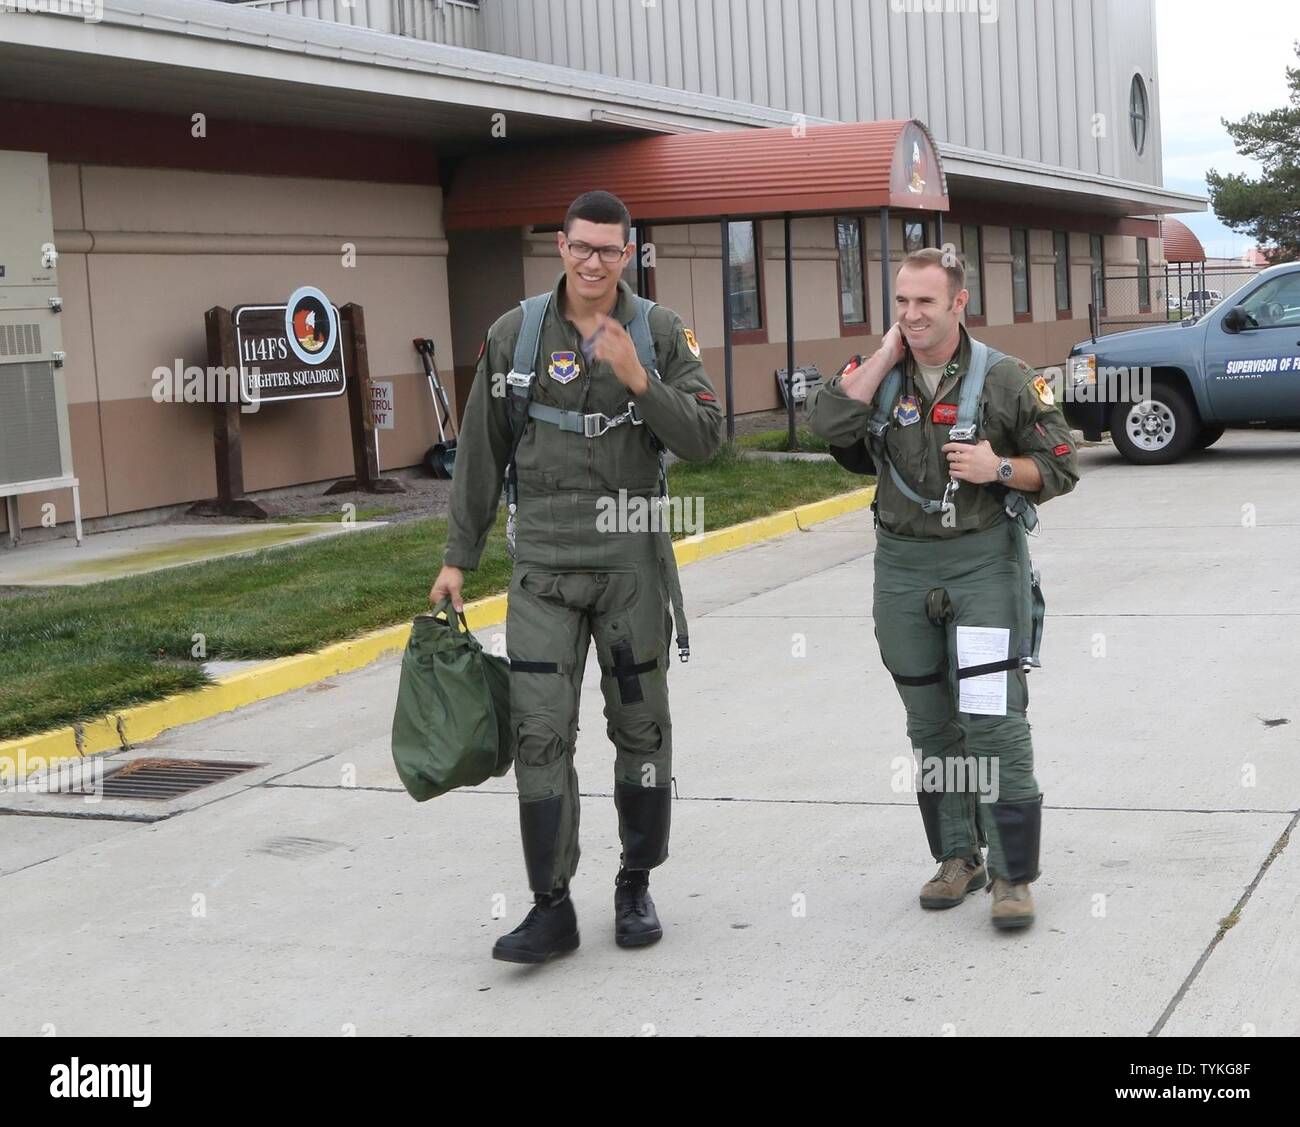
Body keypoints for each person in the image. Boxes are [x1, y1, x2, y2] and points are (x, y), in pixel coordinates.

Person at [429, 190, 723, 962]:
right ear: (558, 246)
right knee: (538, 732)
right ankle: (550, 904)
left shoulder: (659, 333)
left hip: (630, 561)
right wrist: (459, 558)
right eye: (581, 247)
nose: (594, 262)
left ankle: (634, 883)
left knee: (642, 728)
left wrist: (639, 379)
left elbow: (704, 440)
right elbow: (481, 455)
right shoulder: (515, 335)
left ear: (629, 255)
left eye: (610, 250)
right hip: (545, 568)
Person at [806, 247, 1079, 930]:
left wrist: (1000, 467)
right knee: (930, 725)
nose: (911, 313)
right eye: (901, 301)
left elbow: (1064, 462)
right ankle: (959, 855)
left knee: (991, 719)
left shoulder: (1006, 379)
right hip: (901, 568)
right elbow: (827, 426)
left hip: (982, 563)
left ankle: (1013, 873)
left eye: (925, 301)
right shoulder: (881, 378)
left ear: (960, 302)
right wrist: (883, 353)